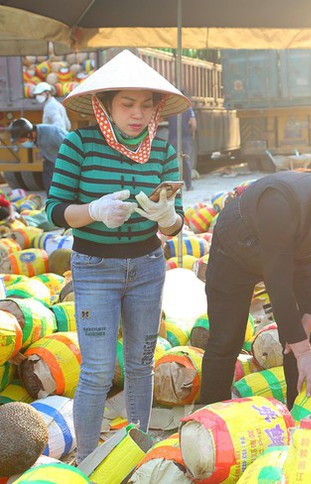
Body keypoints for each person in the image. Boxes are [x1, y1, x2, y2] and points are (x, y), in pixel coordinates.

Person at [44, 50, 190, 462]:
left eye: (146, 105)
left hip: (148, 267)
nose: (138, 114)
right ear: (104, 105)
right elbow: (53, 211)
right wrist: (93, 211)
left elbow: (175, 225)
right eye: (127, 104)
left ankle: (137, 450)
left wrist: (167, 218)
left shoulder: (162, 150)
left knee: (142, 365)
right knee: (96, 372)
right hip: (95, 271)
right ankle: (89, 459)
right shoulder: (78, 145)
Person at [200, 170, 311, 408]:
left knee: (300, 336)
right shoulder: (279, 202)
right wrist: (303, 352)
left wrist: (304, 327)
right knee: (227, 339)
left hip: (295, 255)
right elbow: (278, 283)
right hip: (238, 248)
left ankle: (298, 411)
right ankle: (210, 416)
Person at [9, 118, 67, 195]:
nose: (19, 142)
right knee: (49, 184)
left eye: (19, 139)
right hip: (51, 161)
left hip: (66, 160)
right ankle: (51, 203)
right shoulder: (34, 137)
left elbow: (69, 147)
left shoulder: (51, 133)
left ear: (27, 134)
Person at [167, 96, 197, 191]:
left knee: (173, 162)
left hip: (173, 138)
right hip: (185, 138)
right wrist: (192, 134)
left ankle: (174, 187)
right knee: (186, 161)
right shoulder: (188, 108)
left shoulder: (171, 108)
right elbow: (193, 123)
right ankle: (188, 185)